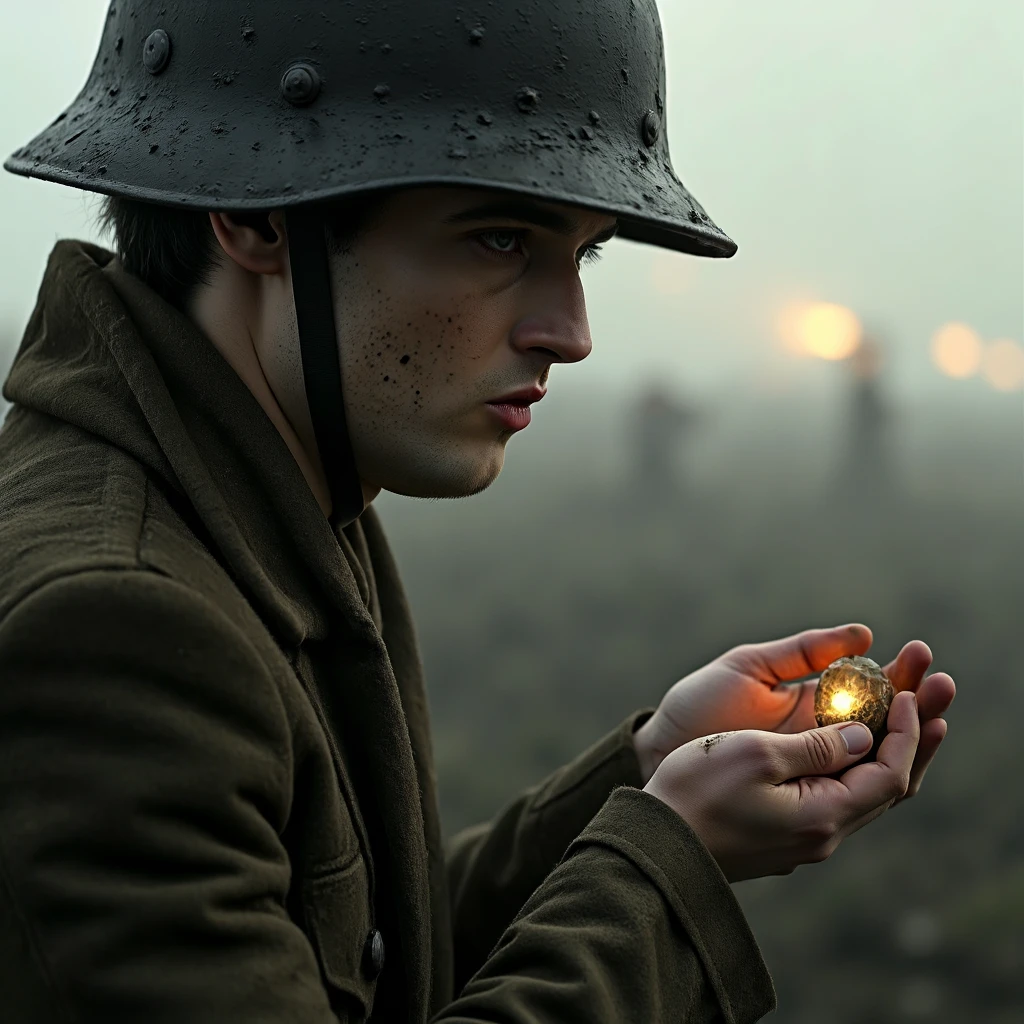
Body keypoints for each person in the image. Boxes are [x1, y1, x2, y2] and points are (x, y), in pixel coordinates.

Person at [0, 1, 955, 1021]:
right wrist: (665, 864)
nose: (570, 333)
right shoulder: (116, 626)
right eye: (499, 237)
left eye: (581, 256)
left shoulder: (273, 492)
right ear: (255, 214)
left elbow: (351, 958)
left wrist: (641, 778)